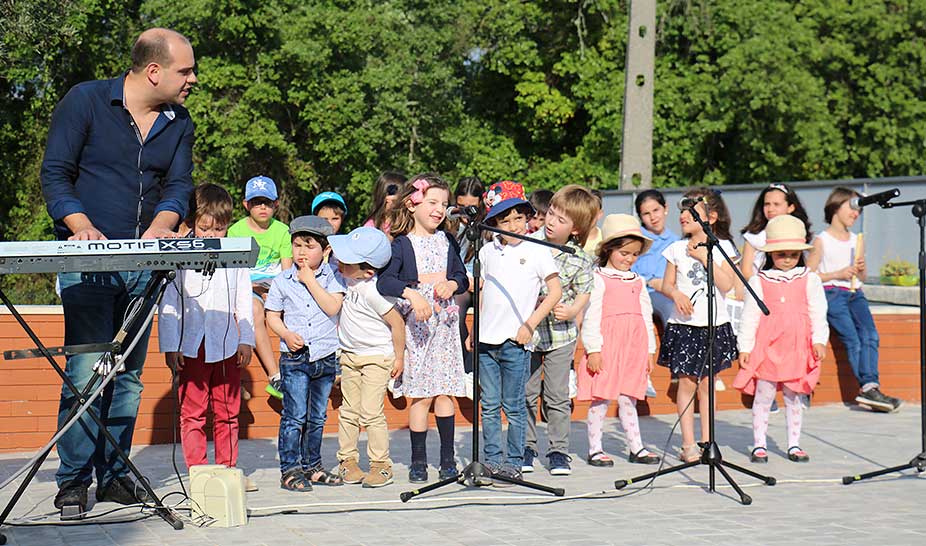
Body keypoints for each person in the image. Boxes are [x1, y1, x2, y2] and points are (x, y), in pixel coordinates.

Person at [40, 27, 196, 512]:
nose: (193, 79)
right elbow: (55, 173)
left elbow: (178, 185)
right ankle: (72, 481)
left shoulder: (180, 120)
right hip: (87, 265)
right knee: (88, 369)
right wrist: (81, 226)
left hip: (144, 267)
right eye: (185, 70)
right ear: (154, 71)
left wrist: (161, 227)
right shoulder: (85, 101)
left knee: (127, 376)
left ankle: (113, 476)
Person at [158, 184, 256, 487]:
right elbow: (169, 303)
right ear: (192, 223)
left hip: (225, 343)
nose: (212, 234)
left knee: (228, 411)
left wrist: (246, 338)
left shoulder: (236, 253)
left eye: (220, 229)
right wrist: (171, 346)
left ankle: (227, 470)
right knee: (193, 413)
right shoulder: (179, 254)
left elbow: (244, 298)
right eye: (205, 228)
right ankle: (198, 472)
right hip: (191, 346)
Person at [377, 174, 469, 483]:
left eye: (444, 204)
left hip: (444, 326)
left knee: (445, 394)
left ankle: (447, 458)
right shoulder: (402, 244)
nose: (439, 209)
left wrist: (452, 282)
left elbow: (462, 276)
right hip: (418, 331)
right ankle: (418, 460)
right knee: (421, 396)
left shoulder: (448, 240)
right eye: (432, 202)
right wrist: (412, 293)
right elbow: (386, 281)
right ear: (412, 204)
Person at [474, 180, 562, 483]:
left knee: (514, 406)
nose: (513, 224)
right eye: (504, 219)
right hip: (487, 340)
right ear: (495, 223)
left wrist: (529, 325)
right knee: (488, 406)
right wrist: (475, 328)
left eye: (518, 217)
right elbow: (483, 291)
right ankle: (492, 460)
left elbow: (554, 292)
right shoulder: (486, 252)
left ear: (527, 217)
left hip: (516, 340)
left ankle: (514, 462)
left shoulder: (538, 251)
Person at [734, 215, 828, 463]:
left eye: (792, 254)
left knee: (793, 396)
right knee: (764, 395)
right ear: (770, 255)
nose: (786, 259)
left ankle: (794, 444)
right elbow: (750, 316)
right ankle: (759, 444)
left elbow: (818, 312)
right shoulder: (759, 280)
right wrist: (745, 347)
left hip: (797, 346)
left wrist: (819, 340)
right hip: (768, 347)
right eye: (780, 254)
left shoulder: (810, 279)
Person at [265, 216, 347, 490]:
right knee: (294, 415)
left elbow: (333, 307)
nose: (300, 252)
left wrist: (310, 280)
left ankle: (312, 465)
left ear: (325, 251)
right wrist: (286, 334)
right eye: (296, 245)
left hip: (324, 356)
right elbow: (272, 316)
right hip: (295, 358)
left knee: (317, 416)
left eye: (308, 246)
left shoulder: (334, 277)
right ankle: (290, 469)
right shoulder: (282, 280)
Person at [658, 187, 738, 463]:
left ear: (711, 217)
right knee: (686, 383)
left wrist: (704, 257)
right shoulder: (676, 249)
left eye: (691, 211)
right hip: (685, 326)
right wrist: (676, 294)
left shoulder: (723, 247)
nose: (683, 216)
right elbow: (667, 284)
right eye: (682, 211)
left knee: (708, 384)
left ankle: (708, 441)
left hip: (714, 324)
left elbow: (728, 285)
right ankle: (688, 444)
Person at [807, 187, 902, 412]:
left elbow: (862, 276)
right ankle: (868, 388)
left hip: (855, 293)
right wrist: (837, 274)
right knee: (854, 340)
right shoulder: (821, 240)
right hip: (832, 292)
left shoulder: (856, 239)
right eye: (852, 207)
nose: (856, 212)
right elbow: (809, 275)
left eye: (859, 209)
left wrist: (859, 269)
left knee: (871, 335)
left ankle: (871, 387)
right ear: (836, 207)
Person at [523, 184, 596, 476]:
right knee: (525, 393)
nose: (551, 221)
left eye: (561, 219)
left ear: (576, 229)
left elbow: (585, 291)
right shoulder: (527, 244)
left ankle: (558, 451)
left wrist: (574, 310)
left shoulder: (579, 258)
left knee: (556, 395)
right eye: (550, 213)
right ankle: (525, 447)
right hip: (527, 333)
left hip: (560, 336)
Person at [580, 214, 659, 466]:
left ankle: (636, 447)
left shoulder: (638, 280)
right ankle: (595, 448)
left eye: (634, 254)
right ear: (609, 249)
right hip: (607, 345)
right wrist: (593, 349)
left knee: (629, 397)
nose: (629, 258)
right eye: (624, 252)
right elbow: (592, 315)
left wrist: (649, 350)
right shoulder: (598, 277)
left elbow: (645, 315)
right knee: (601, 397)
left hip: (633, 346)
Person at [330, 227, 406, 488]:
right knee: (348, 411)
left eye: (347, 261)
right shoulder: (345, 280)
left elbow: (397, 323)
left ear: (368, 271)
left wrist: (399, 358)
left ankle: (381, 465)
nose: (340, 262)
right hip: (350, 357)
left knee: (371, 412)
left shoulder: (373, 291)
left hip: (376, 358)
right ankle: (347, 461)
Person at [227, 175, 293, 400]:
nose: (262, 207)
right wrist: (256, 287)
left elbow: (286, 272)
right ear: (246, 205)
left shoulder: (283, 231)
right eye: (256, 202)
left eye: (267, 202)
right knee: (253, 310)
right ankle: (275, 377)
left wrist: (276, 292)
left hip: (275, 290)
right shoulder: (235, 231)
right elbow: (234, 274)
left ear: (276, 204)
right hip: (248, 289)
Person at [631, 189, 681, 397]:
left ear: (666, 209)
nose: (653, 217)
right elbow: (633, 270)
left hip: (669, 293)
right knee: (643, 320)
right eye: (646, 213)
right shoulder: (639, 239)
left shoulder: (676, 240)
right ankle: (644, 373)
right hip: (645, 292)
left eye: (656, 210)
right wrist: (655, 282)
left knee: (677, 312)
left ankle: (681, 369)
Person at [450, 177, 485, 393]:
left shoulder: (487, 226)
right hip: (462, 282)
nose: (465, 213)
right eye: (461, 206)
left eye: (470, 208)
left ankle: (480, 369)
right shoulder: (451, 224)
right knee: (457, 310)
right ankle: (466, 369)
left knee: (484, 312)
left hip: (484, 282)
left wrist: (479, 281)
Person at [740, 183, 813, 285]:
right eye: (767, 204)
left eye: (776, 204)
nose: (770, 209)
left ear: (790, 207)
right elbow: (746, 271)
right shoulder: (754, 235)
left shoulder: (798, 231)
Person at [582, 189, 605, 255]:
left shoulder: (604, 240)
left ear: (600, 214)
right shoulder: (568, 238)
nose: (586, 217)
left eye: (592, 212)